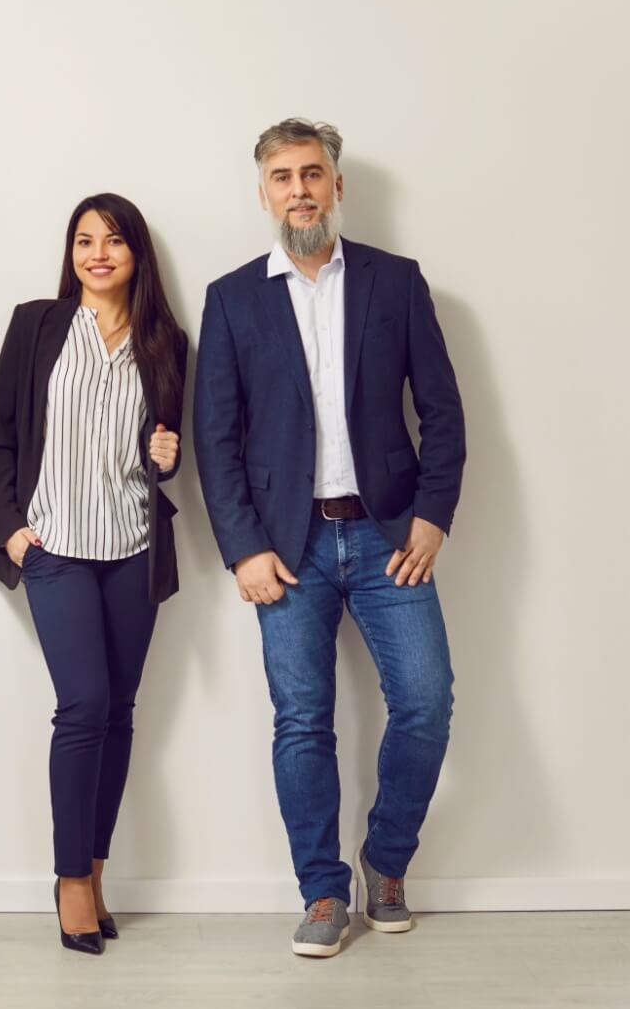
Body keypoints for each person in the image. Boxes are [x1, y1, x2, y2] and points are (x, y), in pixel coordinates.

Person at [193, 118, 465, 958]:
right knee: (302, 719)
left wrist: (431, 514)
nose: (300, 188)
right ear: (265, 192)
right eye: (283, 176)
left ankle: (385, 863)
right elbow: (215, 434)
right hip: (289, 547)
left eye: (313, 173)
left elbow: (445, 412)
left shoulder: (396, 282)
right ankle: (321, 890)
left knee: (426, 702)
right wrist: (242, 548)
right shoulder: (233, 297)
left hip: (388, 538)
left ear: (338, 186)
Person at [0, 192, 187, 955]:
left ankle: (96, 871)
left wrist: (165, 457)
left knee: (120, 711)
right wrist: (15, 533)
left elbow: (162, 451)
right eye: (84, 240)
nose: (97, 253)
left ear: (137, 254)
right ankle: (69, 880)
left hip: (132, 548)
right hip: (57, 549)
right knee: (84, 705)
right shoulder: (37, 326)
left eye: (113, 241)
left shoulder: (168, 343)